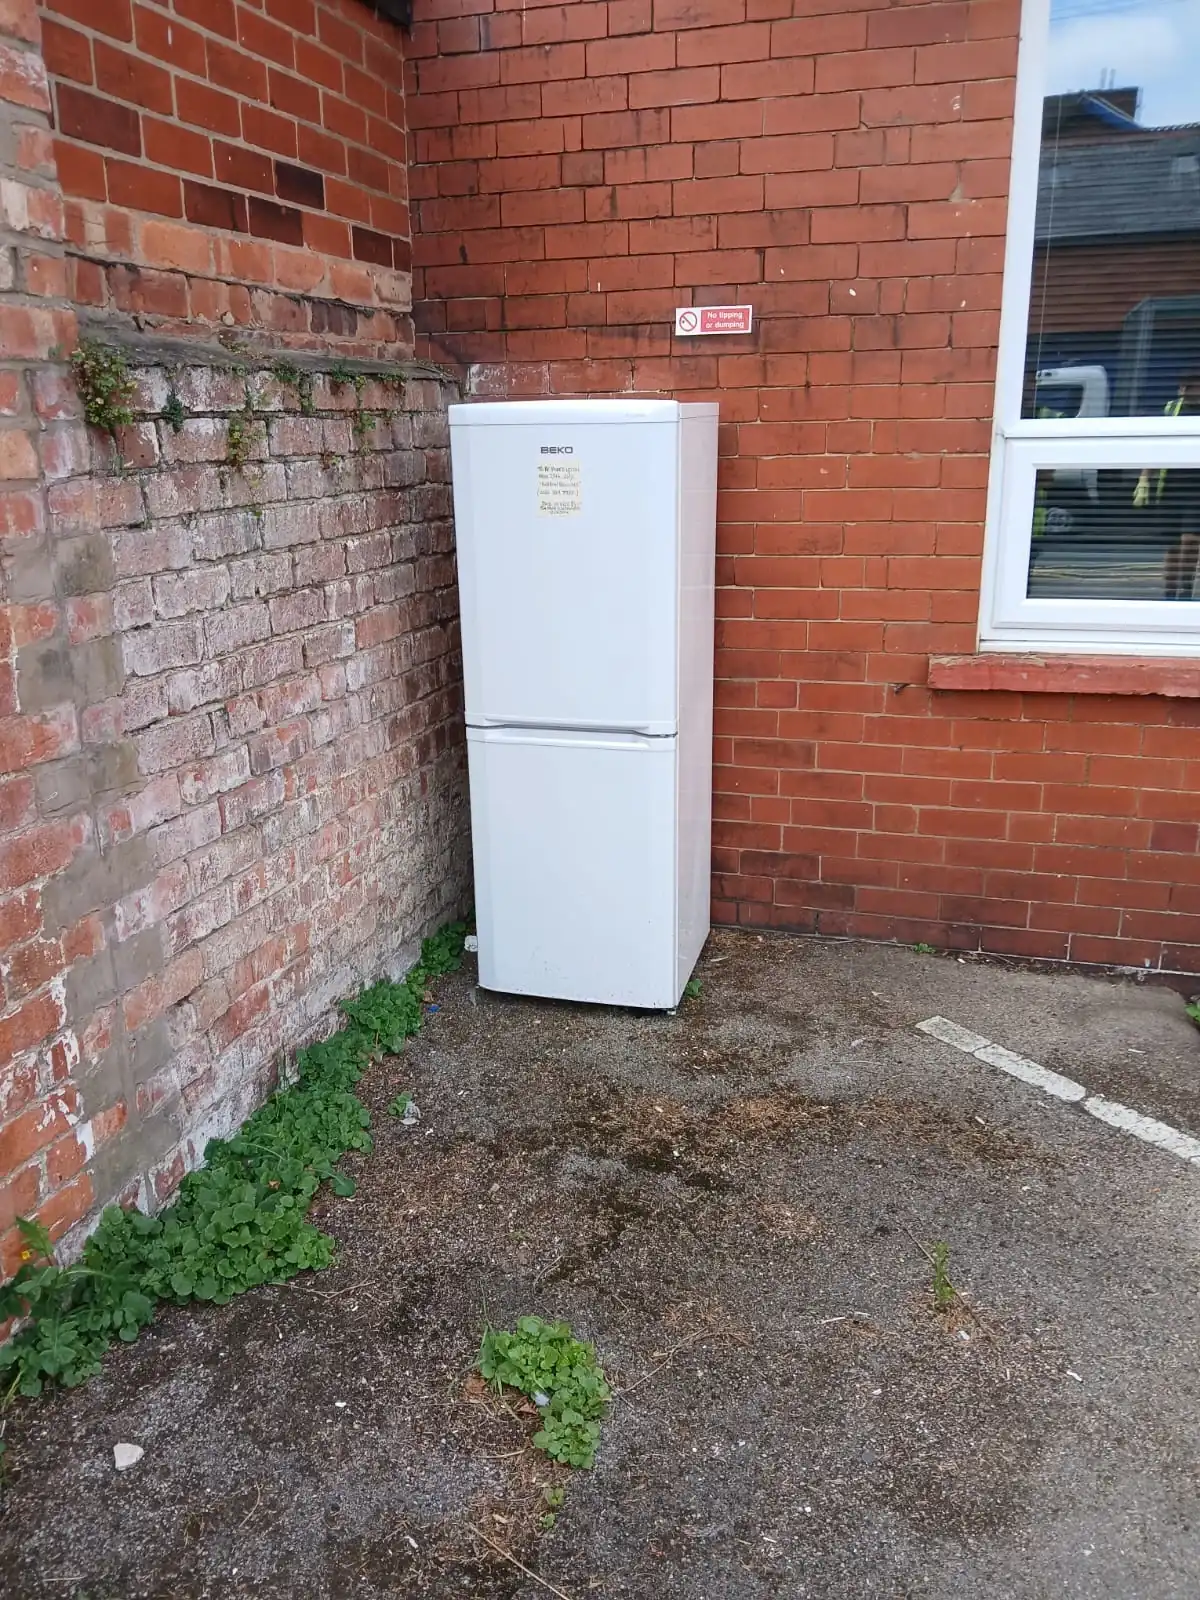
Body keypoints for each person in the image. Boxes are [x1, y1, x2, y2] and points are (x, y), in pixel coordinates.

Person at [1134, 372, 1200, 600]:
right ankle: (1170, 594)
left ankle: (1185, 590)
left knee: (1190, 542)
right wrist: (1144, 478)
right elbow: (1158, 445)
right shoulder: (1172, 409)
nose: (1182, 391)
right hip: (1171, 487)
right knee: (1172, 546)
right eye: (1181, 386)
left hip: (1196, 489)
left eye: (1189, 386)